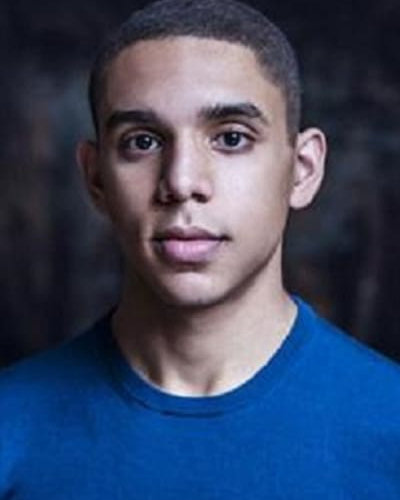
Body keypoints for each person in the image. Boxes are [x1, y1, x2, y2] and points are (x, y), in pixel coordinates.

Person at [1, 1, 400, 498]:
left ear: (302, 170)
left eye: (231, 138)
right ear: (96, 177)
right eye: (142, 142)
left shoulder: (389, 428)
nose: (181, 181)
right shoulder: (11, 427)